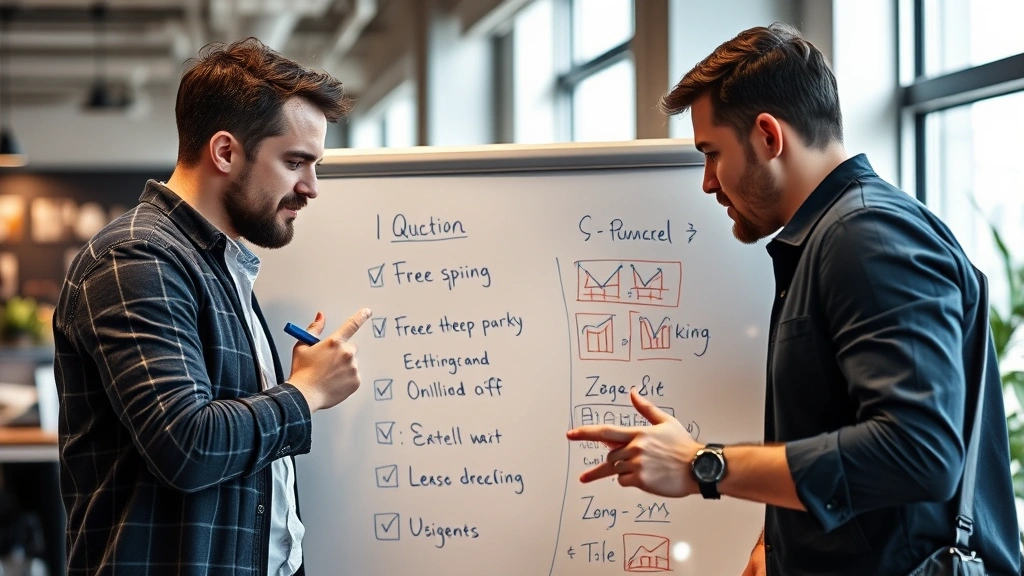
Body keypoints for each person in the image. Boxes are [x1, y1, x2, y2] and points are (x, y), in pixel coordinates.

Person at [567, 22, 1021, 576]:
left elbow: (919, 451)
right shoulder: (836, 237)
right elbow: (844, 433)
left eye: (712, 153)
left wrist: (701, 465)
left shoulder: (866, 237)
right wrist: (778, 540)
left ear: (767, 136)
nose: (708, 182)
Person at [52, 38, 370, 576]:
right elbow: (187, 444)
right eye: (296, 162)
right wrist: (306, 392)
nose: (311, 187)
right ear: (225, 153)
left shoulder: (217, 266)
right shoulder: (137, 258)